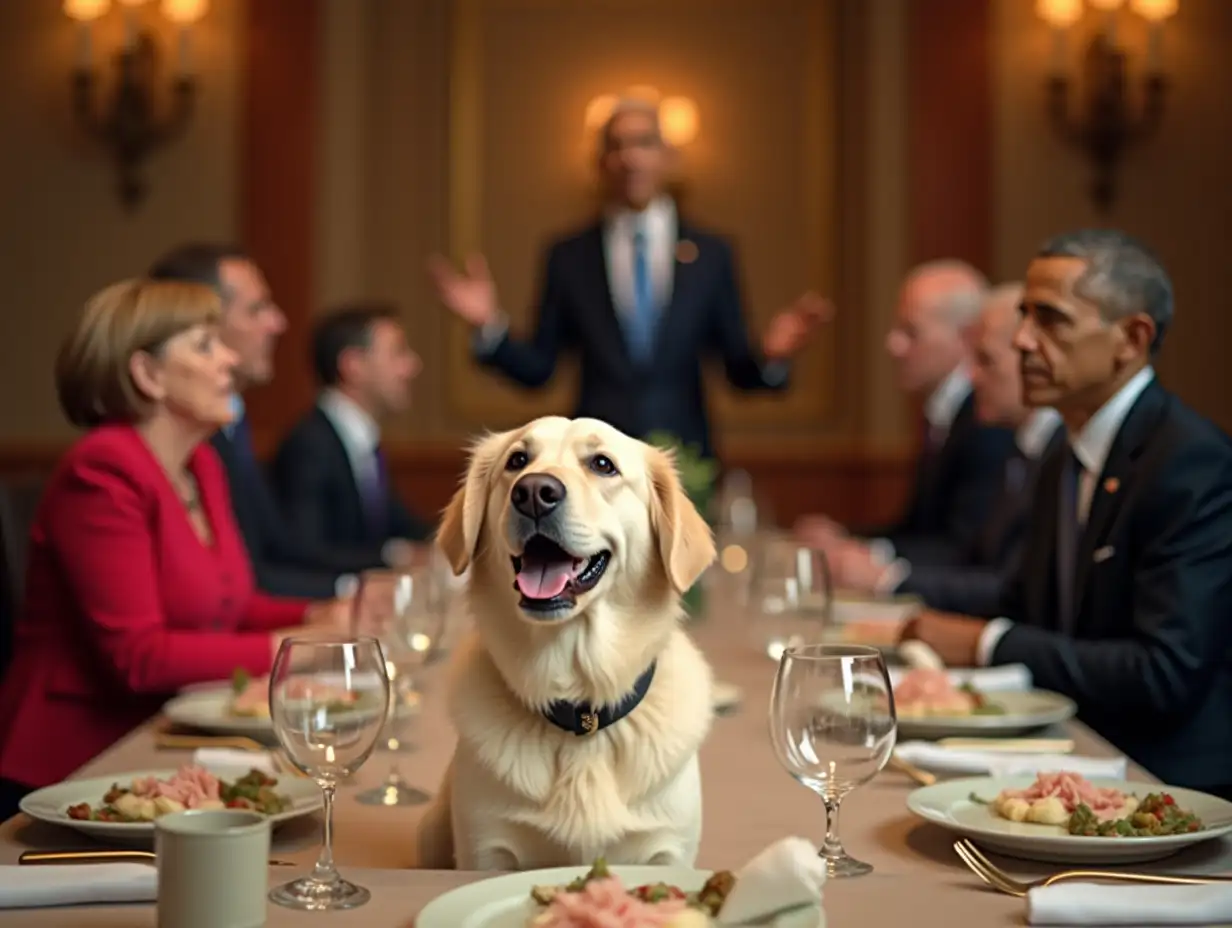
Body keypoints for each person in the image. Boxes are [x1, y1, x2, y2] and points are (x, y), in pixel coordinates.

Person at [901, 230, 1232, 794]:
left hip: (1166, 786)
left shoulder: (1188, 461)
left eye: (1051, 320)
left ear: (1132, 338)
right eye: (1025, 317)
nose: (1024, 341)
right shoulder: (1064, 452)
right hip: (1074, 754)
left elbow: (1162, 673)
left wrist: (987, 643)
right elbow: (1027, 605)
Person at [0, 279, 350, 812]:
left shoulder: (201, 465)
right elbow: (137, 657)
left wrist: (320, 613)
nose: (230, 359)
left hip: (159, 746)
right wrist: (296, 648)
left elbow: (229, 604)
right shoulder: (102, 469)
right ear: (147, 374)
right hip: (76, 768)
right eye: (206, 345)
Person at [428, 97, 829, 459]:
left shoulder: (711, 254)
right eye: (616, 146)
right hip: (593, 462)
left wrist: (773, 356)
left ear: (668, 156)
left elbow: (737, 371)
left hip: (683, 460)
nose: (630, 158)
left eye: (643, 143)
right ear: (600, 162)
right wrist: (489, 327)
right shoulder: (568, 255)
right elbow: (539, 369)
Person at [148, 244, 382, 598]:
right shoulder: (172, 448)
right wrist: (353, 595)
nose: (279, 323)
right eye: (257, 309)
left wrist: (364, 586)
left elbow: (274, 552)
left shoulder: (227, 430)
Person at [829, 283, 1063, 616]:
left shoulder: (1053, 452)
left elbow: (1012, 590)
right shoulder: (1025, 447)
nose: (971, 376)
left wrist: (889, 580)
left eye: (985, 360)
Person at [797, 261, 1017, 566]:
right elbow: (917, 529)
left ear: (966, 338)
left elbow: (964, 548)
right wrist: (848, 540)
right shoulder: (943, 413)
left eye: (911, 331)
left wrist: (868, 559)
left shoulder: (987, 419)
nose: (893, 345)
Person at [273, 303, 432, 563]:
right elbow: (305, 551)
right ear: (353, 366)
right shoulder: (310, 445)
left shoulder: (363, 441)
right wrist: (393, 556)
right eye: (398, 353)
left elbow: (400, 523)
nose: (412, 366)